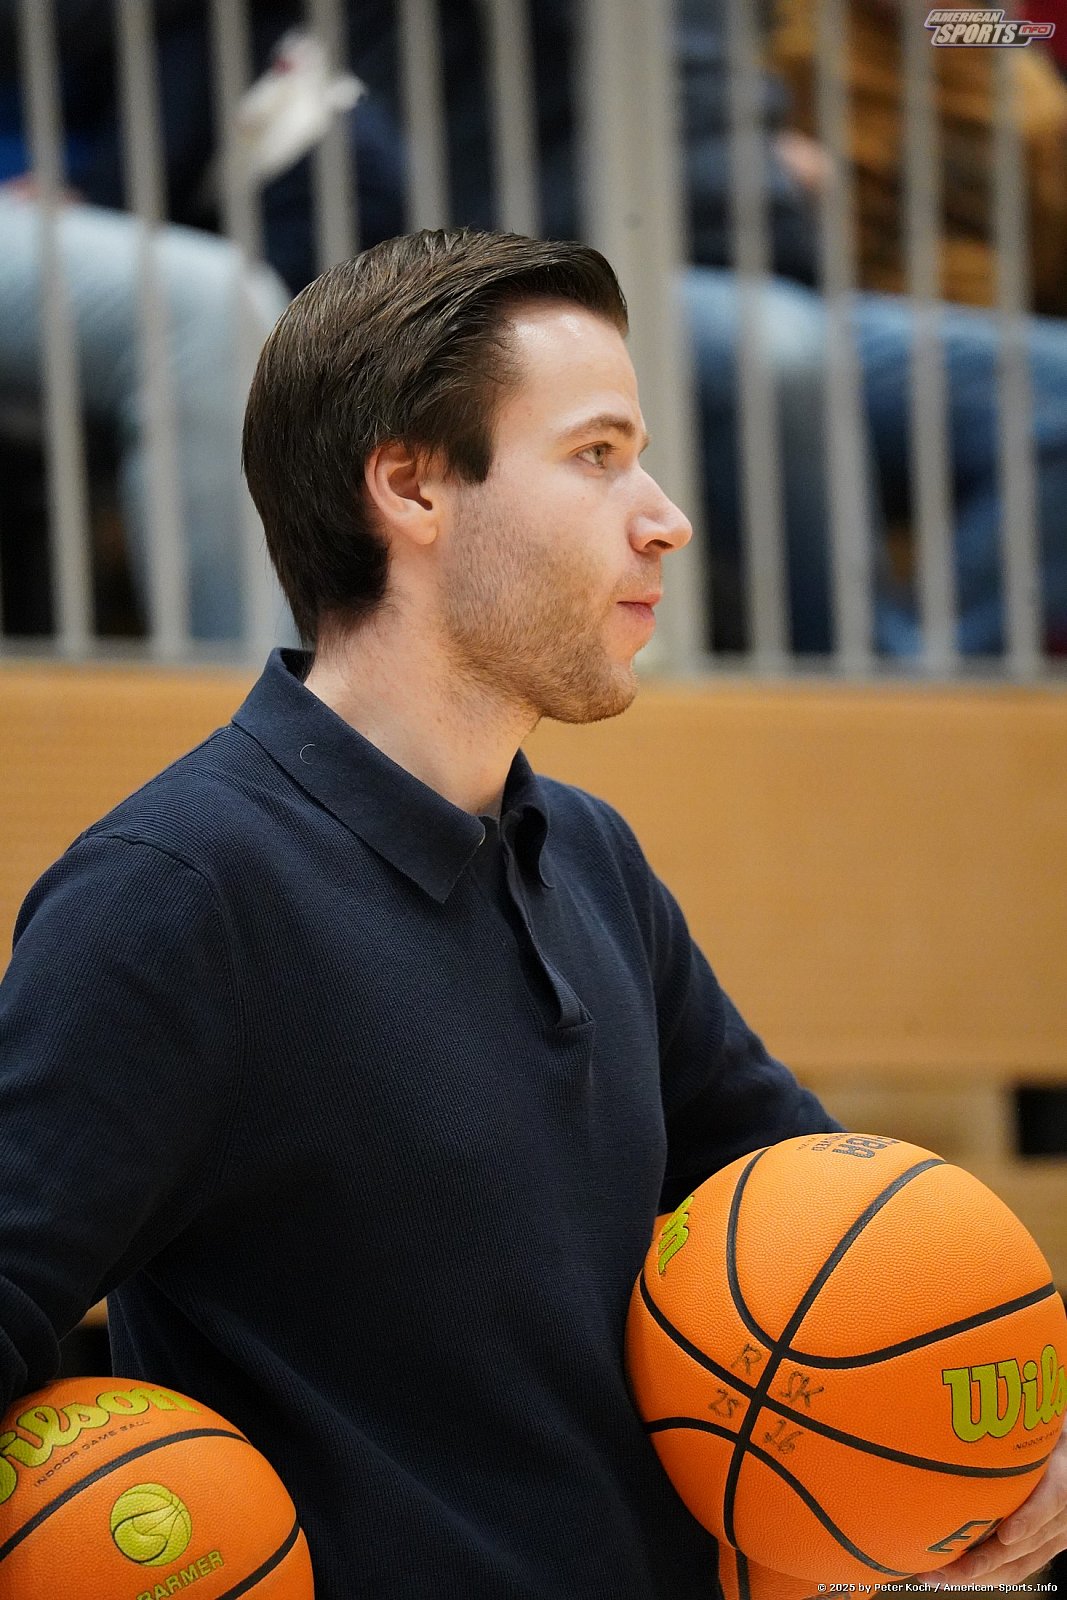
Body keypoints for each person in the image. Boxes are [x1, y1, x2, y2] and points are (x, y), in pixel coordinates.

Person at [2, 228, 1066, 1598]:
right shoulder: (177, 893)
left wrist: (1017, 1441)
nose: (665, 517)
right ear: (411, 485)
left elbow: (834, 1219)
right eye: (597, 454)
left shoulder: (593, 858)